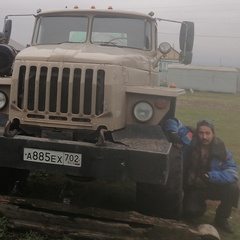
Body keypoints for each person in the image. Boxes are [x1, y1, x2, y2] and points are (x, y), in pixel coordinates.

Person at [183, 119, 239, 233]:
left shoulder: (222, 150)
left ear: (213, 133)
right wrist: (173, 132)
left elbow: (233, 173)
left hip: (213, 186)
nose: (204, 136)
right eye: (201, 133)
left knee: (233, 188)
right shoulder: (190, 143)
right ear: (196, 133)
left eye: (208, 133)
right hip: (195, 187)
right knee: (190, 212)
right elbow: (172, 122)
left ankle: (221, 219)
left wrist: (210, 176)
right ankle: (199, 206)